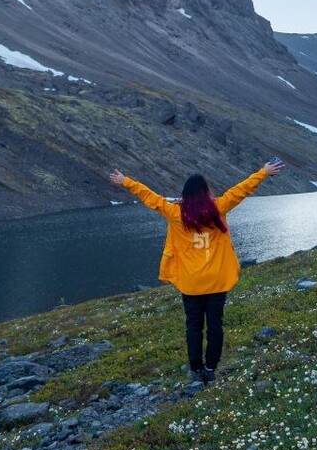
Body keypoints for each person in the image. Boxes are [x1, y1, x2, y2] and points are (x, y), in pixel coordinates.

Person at [109, 160, 285, 385]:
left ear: (185, 194)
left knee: (193, 326)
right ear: (205, 192)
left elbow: (151, 198)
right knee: (215, 325)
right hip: (217, 282)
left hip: (191, 283)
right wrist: (263, 172)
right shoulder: (219, 208)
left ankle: (195, 368)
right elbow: (241, 190)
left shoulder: (175, 213)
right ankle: (210, 368)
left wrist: (126, 182)